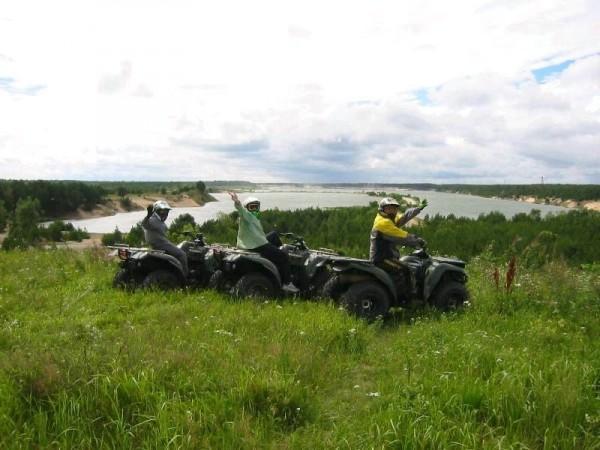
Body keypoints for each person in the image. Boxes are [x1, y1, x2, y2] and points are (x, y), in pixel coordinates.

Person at [228, 192, 299, 293]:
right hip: (256, 245)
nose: (255, 209)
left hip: (254, 242)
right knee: (283, 256)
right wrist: (237, 201)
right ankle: (287, 283)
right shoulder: (246, 216)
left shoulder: (252, 217)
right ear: (246, 208)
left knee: (273, 235)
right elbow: (241, 209)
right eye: (252, 207)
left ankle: (274, 257)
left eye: (256, 207)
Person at [369, 197, 427, 293]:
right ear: (382, 209)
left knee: (403, 267)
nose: (392, 211)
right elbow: (403, 237)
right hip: (381, 259)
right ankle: (405, 296)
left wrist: (418, 209)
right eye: (389, 208)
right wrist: (418, 241)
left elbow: (404, 216)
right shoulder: (383, 223)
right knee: (405, 270)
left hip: (386, 256)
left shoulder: (388, 218)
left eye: (394, 208)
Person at [142, 200, 189, 276]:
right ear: (157, 211)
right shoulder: (153, 219)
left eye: (167, 211)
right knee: (182, 255)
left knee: (185, 245)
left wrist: (180, 233)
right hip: (161, 244)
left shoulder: (159, 221)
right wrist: (148, 215)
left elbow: (164, 230)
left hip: (161, 243)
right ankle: (186, 276)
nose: (166, 213)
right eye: (163, 211)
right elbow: (145, 224)